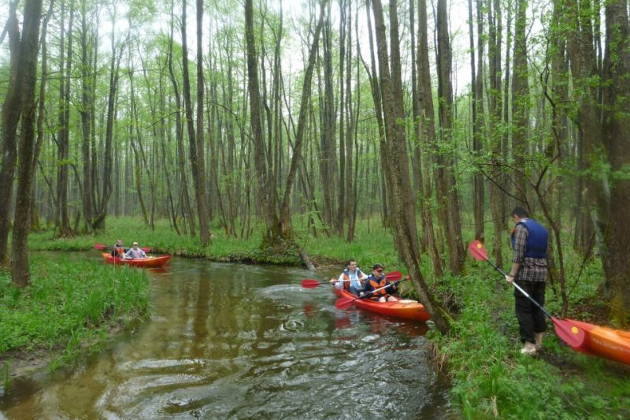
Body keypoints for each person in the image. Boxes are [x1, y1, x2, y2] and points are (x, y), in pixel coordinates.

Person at [506, 206, 549, 355]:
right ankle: (538, 342)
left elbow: (519, 254)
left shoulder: (521, 228)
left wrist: (512, 275)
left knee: (524, 309)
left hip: (525, 275)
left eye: (514, 219)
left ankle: (529, 345)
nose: (514, 222)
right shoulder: (542, 228)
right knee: (537, 306)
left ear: (517, 216)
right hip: (542, 274)